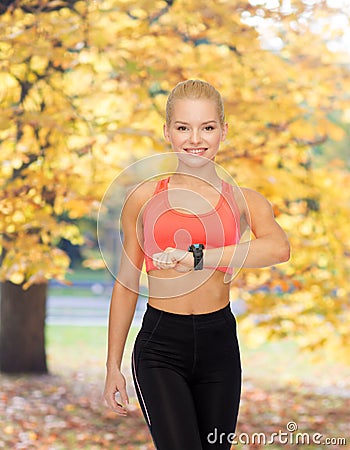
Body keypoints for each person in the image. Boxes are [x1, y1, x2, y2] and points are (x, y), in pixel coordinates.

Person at [103, 80, 290, 450]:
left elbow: (278, 248)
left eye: (207, 127)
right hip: (160, 345)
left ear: (223, 130)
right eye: (183, 127)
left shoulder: (242, 200)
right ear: (167, 131)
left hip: (219, 344)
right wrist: (113, 367)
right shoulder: (142, 199)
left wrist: (201, 257)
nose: (195, 139)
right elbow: (126, 284)